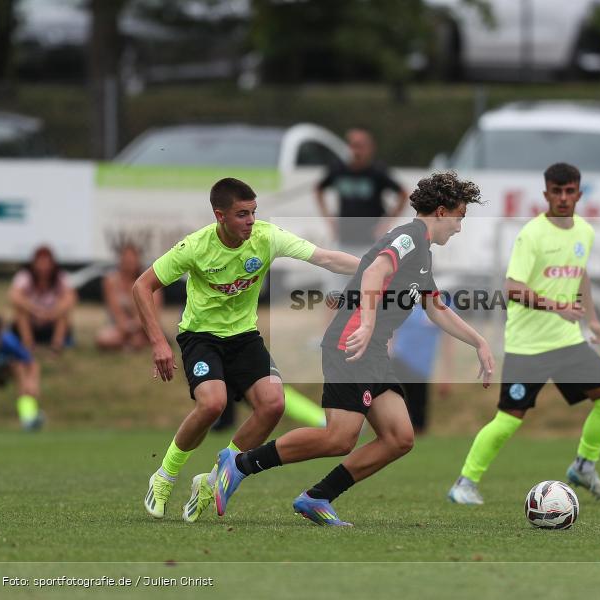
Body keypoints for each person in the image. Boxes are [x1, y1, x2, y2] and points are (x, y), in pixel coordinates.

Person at [213, 171, 495, 527]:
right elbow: (375, 272)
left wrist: (479, 342)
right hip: (352, 343)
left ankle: (317, 497)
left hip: (373, 352)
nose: (459, 227)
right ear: (441, 212)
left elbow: (435, 306)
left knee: (399, 437)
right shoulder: (409, 237)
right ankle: (239, 464)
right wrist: (365, 323)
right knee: (339, 437)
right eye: (459, 217)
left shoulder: (422, 251)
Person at [134, 177, 360, 523]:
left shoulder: (266, 237)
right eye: (242, 214)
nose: (251, 221)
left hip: (244, 337)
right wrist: (158, 342)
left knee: (273, 404)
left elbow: (327, 258)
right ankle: (164, 476)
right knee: (212, 404)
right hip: (201, 337)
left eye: (254, 212)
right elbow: (142, 286)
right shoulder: (195, 247)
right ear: (219, 215)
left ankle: (211, 481)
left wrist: (376, 268)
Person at [447, 163, 600, 505]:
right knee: (509, 420)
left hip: (568, 341)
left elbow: (580, 274)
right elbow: (512, 287)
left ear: (579, 193)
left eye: (569, 191)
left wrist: (593, 319)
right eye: (556, 191)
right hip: (529, 346)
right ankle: (464, 482)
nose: (562, 197)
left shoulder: (584, 232)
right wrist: (557, 306)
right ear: (545, 194)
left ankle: (584, 467)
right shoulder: (532, 234)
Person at [315, 128, 409, 258]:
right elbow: (319, 189)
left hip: (370, 240)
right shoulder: (338, 169)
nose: (356, 151)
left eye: (360, 146)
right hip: (344, 238)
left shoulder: (377, 171)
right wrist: (329, 219)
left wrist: (387, 223)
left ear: (370, 148)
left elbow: (403, 194)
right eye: (352, 146)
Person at [389, 301, 454, 434]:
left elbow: (447, 343)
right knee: (392, 417)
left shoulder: (439, 308)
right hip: (398, 362)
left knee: (419, 421)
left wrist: (446, 375)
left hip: (421, 371)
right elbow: (391, 335)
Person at [9, 245, 77, 353]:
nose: (43, 267)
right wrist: (36, 311)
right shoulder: (24, 276)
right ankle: (28, 345)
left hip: (52, 321)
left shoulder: (61, 277)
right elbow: (14, 296)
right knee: (21, 311)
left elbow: (71, 299)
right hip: (31, 320)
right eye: (40, 262)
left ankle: (56, 347)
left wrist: (51, 314)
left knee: (63, 312)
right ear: (34, 263)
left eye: (46, 263)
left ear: (52, 264)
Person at [95, 243, 162, 351]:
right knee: (103, 338)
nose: (128, 264)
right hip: (121, 327)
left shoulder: (149, 281)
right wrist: (127, 329)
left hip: (144, 328)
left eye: (131, 260)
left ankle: (133, 342)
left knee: (140, 337)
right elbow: (116, 312)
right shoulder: (110, 281)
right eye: (126, 260)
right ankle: (131, 343)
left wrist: (135, 327)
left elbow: (153, 312)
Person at [0, 313, 44, 430]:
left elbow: (31, 363)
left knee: (19, 368)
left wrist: (33, 382)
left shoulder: (8, 342)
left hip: (0, 370)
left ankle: (28, 417)